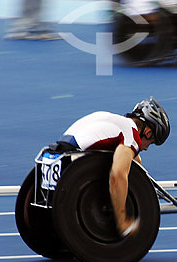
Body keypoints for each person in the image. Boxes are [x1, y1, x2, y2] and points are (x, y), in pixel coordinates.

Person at [56, 97, 170, 236]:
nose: (146, 148)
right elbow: (117, 176)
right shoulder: (132, 135)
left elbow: (135, 160)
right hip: (75, 165)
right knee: (119, 174)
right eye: (151, 143)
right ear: (148, 132)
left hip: (60, 150)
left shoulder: (117, 122)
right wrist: (122, 222)